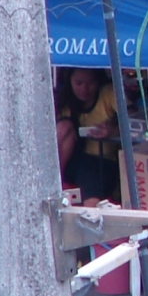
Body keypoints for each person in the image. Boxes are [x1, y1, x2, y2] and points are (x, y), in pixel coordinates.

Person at [55, 68, 120, 205]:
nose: (84, 88)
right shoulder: (64, 99)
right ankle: (53, 179)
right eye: (78, 83)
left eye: (90, 83)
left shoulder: (108, 93)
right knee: (64, 126)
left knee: (90, 201)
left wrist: (113, 131)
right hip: (71, 159)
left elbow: (133, 119)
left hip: (100, 160)